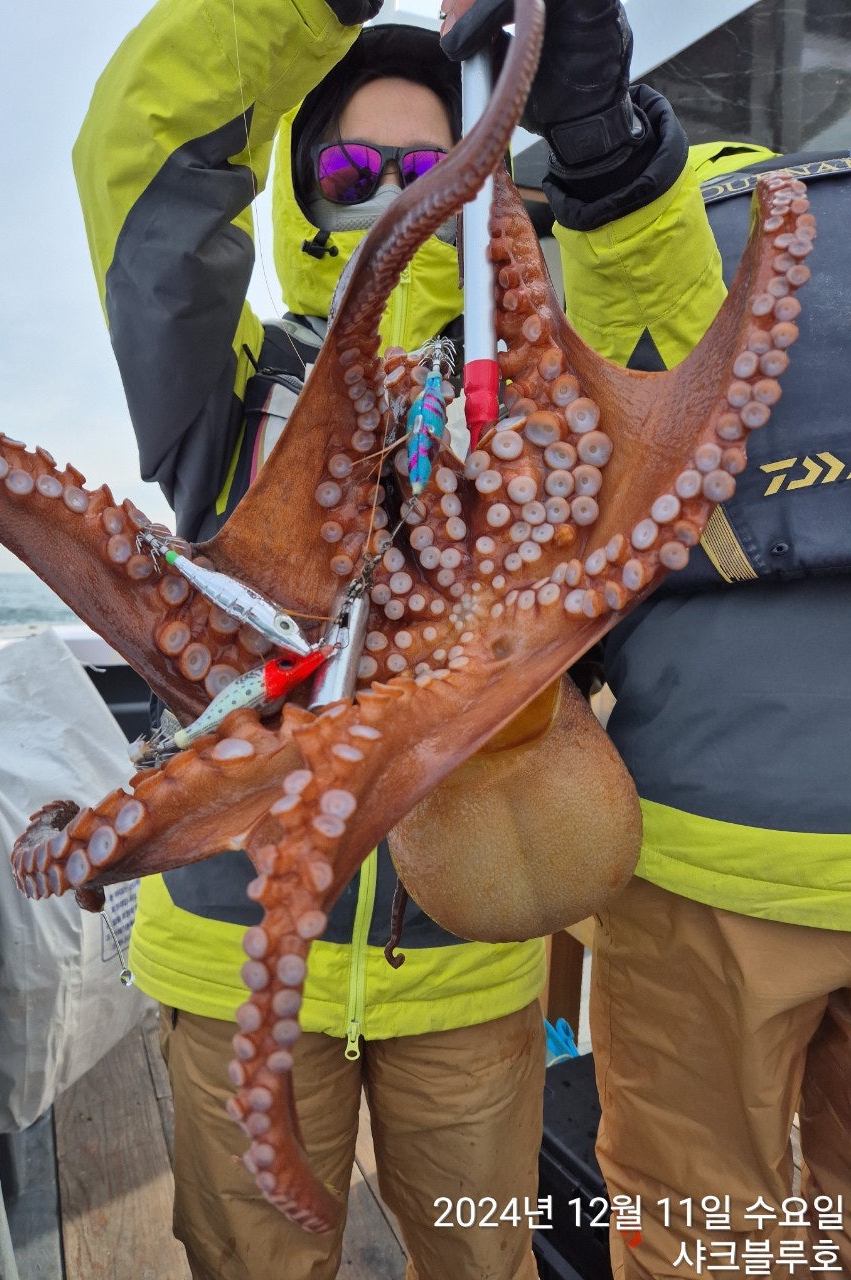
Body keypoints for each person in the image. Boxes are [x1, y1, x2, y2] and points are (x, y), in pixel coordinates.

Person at [73, 1, 636, 1275]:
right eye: (348, 165)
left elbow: (655, 340)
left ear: (476, 181)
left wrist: (599, 134)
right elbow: (142, 163)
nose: (389, 192)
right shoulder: (229, 392)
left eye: (429, 165)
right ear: (301, 190)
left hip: (469, 956)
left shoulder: (521, 403)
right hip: (237, 956)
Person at [451, 1, 851, 1275]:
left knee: (704, 1223)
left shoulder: (645, 246)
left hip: (704, 852)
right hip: (701, 844)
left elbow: (659, 337)